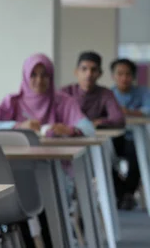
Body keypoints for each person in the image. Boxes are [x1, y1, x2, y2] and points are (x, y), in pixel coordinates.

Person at [0, 53, 95, 137]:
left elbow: (90, 130)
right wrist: (18, 126)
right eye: (33, 75)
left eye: (44, 75)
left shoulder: (63, 102)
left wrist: (70, 130)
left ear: (51, 77)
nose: (39, 80)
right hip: (16, 164)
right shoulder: (12, 102)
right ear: (25, 77)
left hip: (55, 163)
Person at [110, 58, 150, 209]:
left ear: (133, 77)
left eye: (127, 74)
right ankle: (124, 193)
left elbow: (148, 110)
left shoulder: (143, 92)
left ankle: (127, 194)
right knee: (103, 156)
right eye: (120, 74)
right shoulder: (108, 94)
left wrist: (128, 112)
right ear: (113, 76)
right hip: (114, 138)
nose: (124, 78)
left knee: (139, 154)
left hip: (135, 139)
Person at [60, 51, 124, 128]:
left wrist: (98, 123)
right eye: (84, 69)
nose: (89, 74)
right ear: (76, 72)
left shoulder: (106, 94)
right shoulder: (65, 93)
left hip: (98, 138)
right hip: (67, 137)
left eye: (93, 70)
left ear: (100, 74)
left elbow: (118, 119)